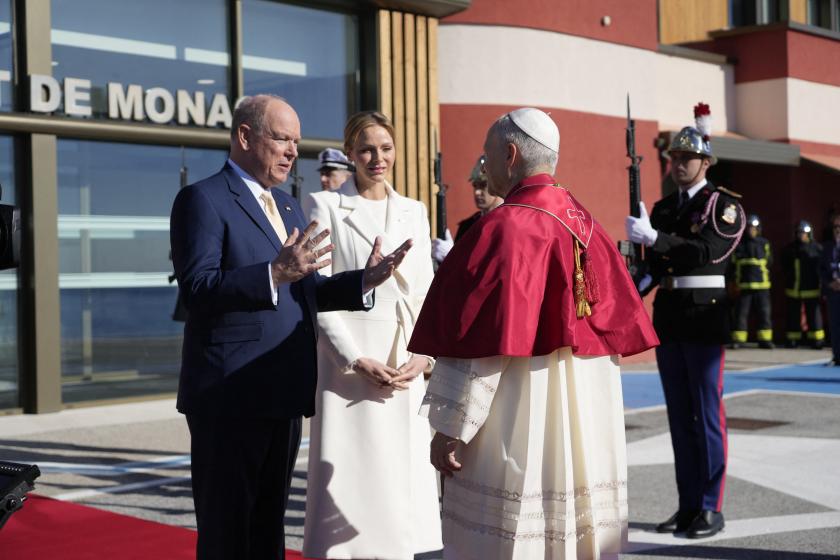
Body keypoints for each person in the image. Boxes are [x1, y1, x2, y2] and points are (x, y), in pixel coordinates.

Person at [170, 95, 412, 560]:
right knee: (227, 533)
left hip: (283, 392)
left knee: (268, 530)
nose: (291, 152)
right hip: (230, 397)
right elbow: (198, 289)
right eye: (282, 139)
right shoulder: (202, 199)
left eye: (296, 142)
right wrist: (273, 274)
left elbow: (310, 289)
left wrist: (365, 279)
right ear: (245, 136)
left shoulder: (286, 205)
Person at [410, 107, 659, 559]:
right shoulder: (587, 225)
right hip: (582, 413)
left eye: (486, 158)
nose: (484, 168)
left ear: (509, 154)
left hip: (520, 410)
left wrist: (451, 427)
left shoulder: (505, 227)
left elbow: (480, 345)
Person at [301, 111, 442, 559]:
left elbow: (424, 292)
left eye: (385, 148)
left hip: (405, 364)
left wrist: (425, 355)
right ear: (350, 154)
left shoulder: (414, 211)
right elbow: (315, 294)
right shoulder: (325, 206)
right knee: (354, 483)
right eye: (365, 149)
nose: (376, 157)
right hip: (350, 370)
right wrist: (353, 358)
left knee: (407, 490)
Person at [625, 105, 745, 539]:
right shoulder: (661, 209)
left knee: (707, 414)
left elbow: (706, 253)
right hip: (671, 319)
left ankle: (711, 507)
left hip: (705, 317)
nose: (678, 165)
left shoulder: (723, 207)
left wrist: (656, 239)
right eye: (674, 159)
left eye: (687, 159)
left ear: (705, 162)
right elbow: (653, 270)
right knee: (679, 416)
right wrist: (624, 296)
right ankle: (688, 503)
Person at [431, 155, 504, 263]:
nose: (477, 192)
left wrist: (452, 257)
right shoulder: (467, 226)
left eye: (483, 185)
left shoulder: (506, 223)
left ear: (497, 184)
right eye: (475, 185)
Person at [729, 214, 774, 349]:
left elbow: (770, 261)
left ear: (758, 229)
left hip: (762, 286)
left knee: (764, 313)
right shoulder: (739, 244)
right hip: (744, 286)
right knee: (741, 314)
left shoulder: (764, 243)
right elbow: (732, 264)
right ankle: (738, 340)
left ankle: (765, 340)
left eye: (754, 228)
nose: (751, 230)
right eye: (749, 228)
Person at [782, 220, 824, 348]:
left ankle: (816, 340)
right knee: (793, 315)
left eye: (804, 233)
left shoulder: (817, 248)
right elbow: (784, 265)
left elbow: (822, 268)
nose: (801, 235)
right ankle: (793, 339)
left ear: (809, 234)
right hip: (793, 288)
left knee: (814, 315)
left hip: (811, 288)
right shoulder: (790, 249)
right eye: (799, 233)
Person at [821, 212, 840, 366]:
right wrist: (829, 283)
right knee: (834, 325)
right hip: (833, 292)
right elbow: (821, 269)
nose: (838, 229)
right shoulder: (827, 247)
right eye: (835, 227)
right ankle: (837, 356)